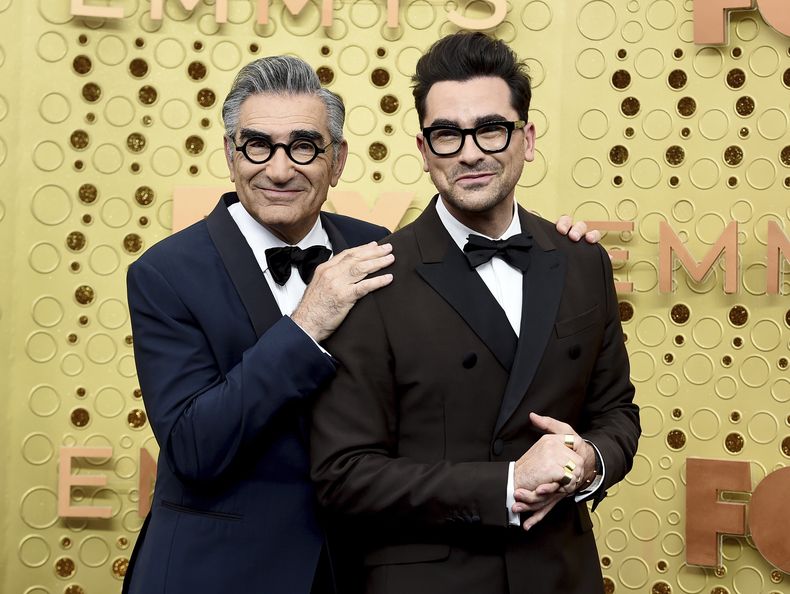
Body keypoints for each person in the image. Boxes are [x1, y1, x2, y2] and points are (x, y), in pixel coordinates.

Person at [123, 54, 599, 594]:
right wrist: (305, 326)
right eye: (258, 145)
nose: (280, 169)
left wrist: (556, 250)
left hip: (365, 567)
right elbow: (193, 447)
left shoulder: (379, 248)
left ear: (339, 159)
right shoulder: (166, 273)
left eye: (304, 146)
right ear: (232, 155)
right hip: (220, 572)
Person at [310, 32, 640, 594]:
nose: (470, 152)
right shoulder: (373, 278)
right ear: (423, 149)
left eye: (491, 129)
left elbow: (617, 414)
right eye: (447, 134)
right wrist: (505, 484)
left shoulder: (584, 262)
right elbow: (344, 475)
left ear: (527, 138)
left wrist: (588, 460)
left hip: (559, 574)